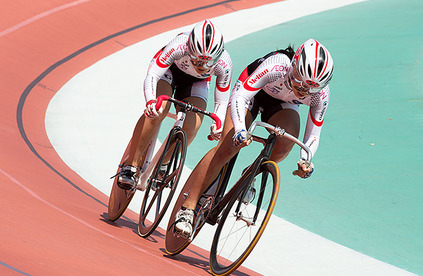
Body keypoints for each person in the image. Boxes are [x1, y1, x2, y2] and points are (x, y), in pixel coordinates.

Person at [173, 38, 334, 237]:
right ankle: (187, 208)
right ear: (293, 68)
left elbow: (313, 135)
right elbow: (241, 97)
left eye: (311, 89)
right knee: (228, 147)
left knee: (286, 143)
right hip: (250, 95)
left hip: (282, 105)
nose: (303, 91)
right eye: (300, 82)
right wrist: (240, 129)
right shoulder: (277, 66)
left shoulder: (321, 95)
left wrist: (306, 160)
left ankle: (250, 175)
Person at [116, 19, 233, 190]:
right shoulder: (179, 45)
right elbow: (153, 74)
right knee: (159, 110)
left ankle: (163, 165)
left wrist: (218, 123)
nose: (202, 66)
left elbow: (222, 101)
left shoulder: (224, 63)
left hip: (197, 84)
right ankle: (130, 166)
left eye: (208, 63)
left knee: (193, 126)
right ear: (190, 49)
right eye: (198, 61)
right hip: (170, 73)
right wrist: (150, 101)